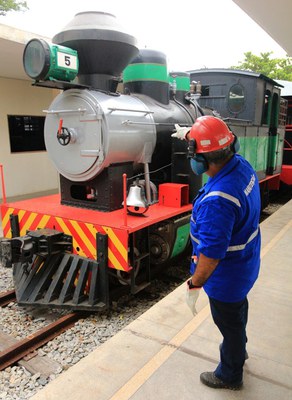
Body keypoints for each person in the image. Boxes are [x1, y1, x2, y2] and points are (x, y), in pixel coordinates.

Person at [172, 116, 261, 390]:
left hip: (226, 276)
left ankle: (229, 374)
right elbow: (215, 141)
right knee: (238, 311)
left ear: (201, 161)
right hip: (246, 264)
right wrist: (191, 133)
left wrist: (195, 282)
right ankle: (240, 349)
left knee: (228, 323)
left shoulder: (218, 200)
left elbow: (211, 255)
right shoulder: (240, 166)